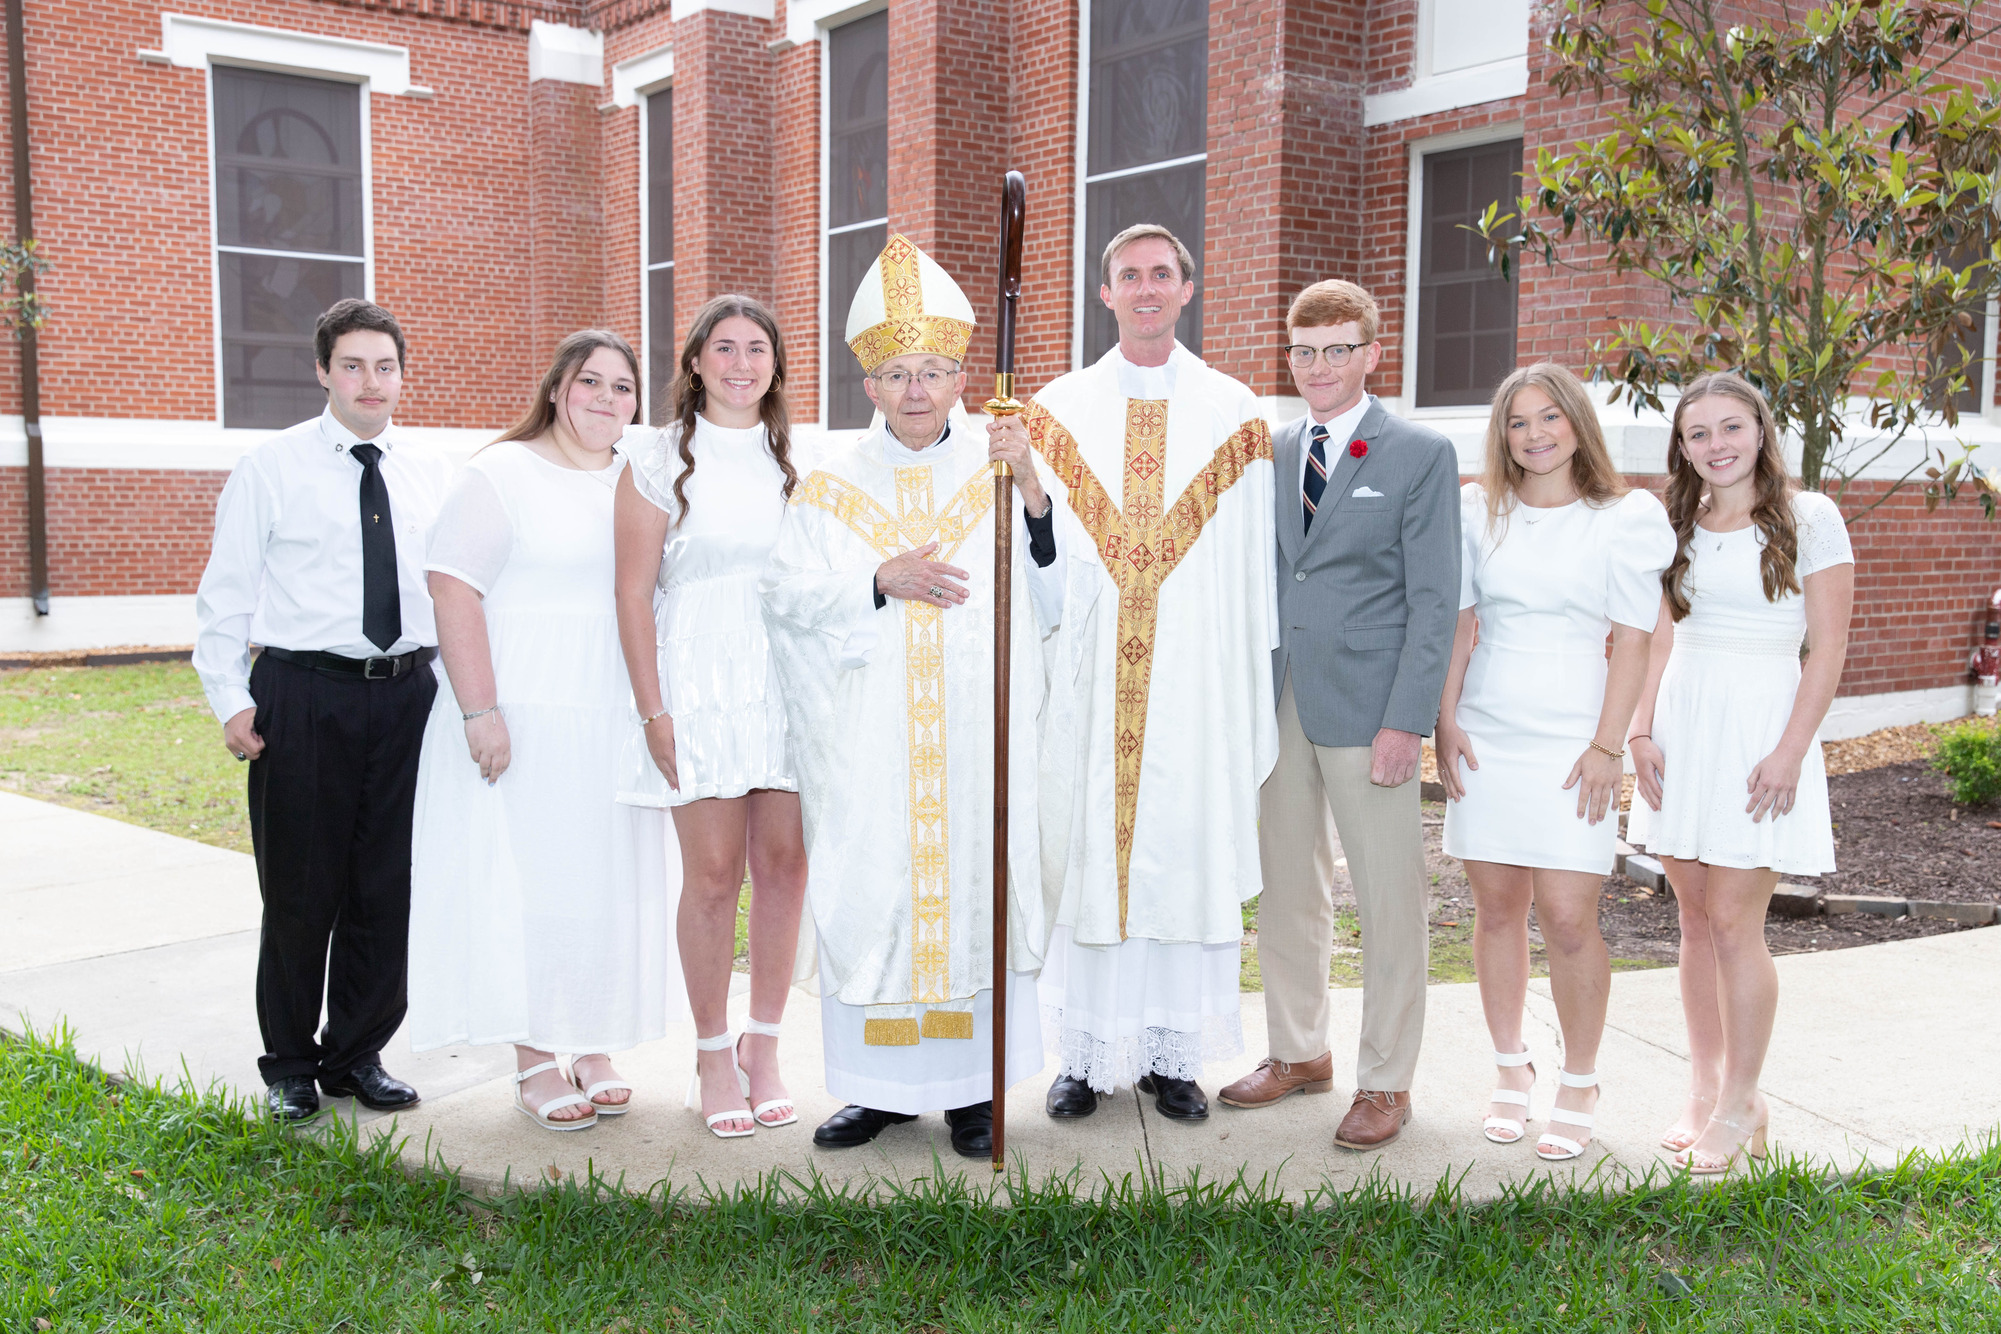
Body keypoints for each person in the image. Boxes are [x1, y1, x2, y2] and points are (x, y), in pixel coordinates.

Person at [761, 234, 1068, 1158]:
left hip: (975, 738)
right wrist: (875, 580)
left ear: (960, 377)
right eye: (897, 374)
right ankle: (877, 1092)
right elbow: (782, 597)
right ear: (870, 386)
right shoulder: (828, 485)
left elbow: (1060, 593)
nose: (916, 389)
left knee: (973, 887)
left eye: (932, 371)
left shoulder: (1001, 465)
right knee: (879, 893)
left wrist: (1034, 489)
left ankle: (974, 1093)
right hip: (872, 746)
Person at [1022, 224, 1276, 1124]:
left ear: (1186, 289)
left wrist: (1236, 677)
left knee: (1181, 851)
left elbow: (1249, 570)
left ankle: (1173, 1056)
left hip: (1191, 682)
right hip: (1092, 676)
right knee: (1092, 851)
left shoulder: (1234, 413)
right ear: (1105, 293)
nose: (1145, 289)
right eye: (1128, 275)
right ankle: (1084, 1057)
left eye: (1160, 274)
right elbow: (1035, 554)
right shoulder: (1054, 411)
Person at [406, 330, 681, 1131]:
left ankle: (590, 1042)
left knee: (596, 884)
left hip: (612, 712)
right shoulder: (502, 472)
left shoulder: (643, 478)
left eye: (622, 387)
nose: (606, 398)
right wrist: (480, 710)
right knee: (527, 883)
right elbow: (452, 587)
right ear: (557, 388)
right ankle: (533, 1057)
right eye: (589, 381)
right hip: (523, 710)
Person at [1217, 280, 1460, 1151]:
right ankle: (1297, 1051)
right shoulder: (1271, 450)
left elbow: (1434, 601)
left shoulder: (1419, 453)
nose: (1317, 366)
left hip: (1371, 707)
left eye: (1336, 349)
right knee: (1287, 886)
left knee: (1389, 898)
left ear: (1370, 354)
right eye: (1303, 351)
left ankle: (1386, 1080)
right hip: (1280, 697)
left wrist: (1407, 721)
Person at [194, 299, 451, 1122]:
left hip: (407, 695)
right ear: (322, 372)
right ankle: (290, 1065)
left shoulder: (431, 472)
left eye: (385, 366)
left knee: (386, 885)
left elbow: (451, 592)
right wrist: (231, 700)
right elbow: (226, 593)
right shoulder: (270, 468)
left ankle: (356, 1054)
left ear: (401, 375)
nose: (370, 381)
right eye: (352, 365)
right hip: (303, 694)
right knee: (301, 889)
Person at [1434, 362, 1675, 1161]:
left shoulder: (1624, 517)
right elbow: (1460, 625)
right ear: (1500, 436)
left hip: (1577, 739)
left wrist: (1609, 746)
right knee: (1497, 909)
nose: (1533, 434)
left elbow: (1633, 640)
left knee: (1569, 918)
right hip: (1487, 731)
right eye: (1517, 422)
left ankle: (1579, 1080)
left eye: (1548, 417)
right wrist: (1443, 721)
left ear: (1577, 423)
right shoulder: (1477, 511)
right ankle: (1510, 1066)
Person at [1627, 371, 1854, 1174]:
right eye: (1698, 433)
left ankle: (1742, 1100)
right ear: (1681, 447)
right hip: (1682, 729)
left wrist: (1789, 751)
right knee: (1692, 921)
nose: (1715, 444)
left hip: (1761, 730)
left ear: (1759, 430)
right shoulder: (1673, 520)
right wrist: (1639, 730)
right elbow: (1657, 637)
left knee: (1733, 921)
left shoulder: (1809, 517)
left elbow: (1826, 647)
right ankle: (1703, 1088)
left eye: (1730, 427)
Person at [613, 295, 809, 1139]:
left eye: (755, 348)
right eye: (722, 347)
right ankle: (710, 1052)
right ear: (694, 361)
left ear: (775, 365)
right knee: (714, 873)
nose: (740, 363)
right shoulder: (656, 458)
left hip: (785, 678)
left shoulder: (800, 458)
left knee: (785, 866)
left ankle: (763, 1044)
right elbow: (631, 592)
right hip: (696, 679)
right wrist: (652, 709)